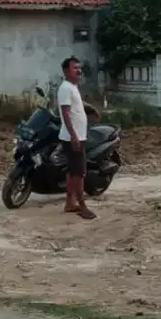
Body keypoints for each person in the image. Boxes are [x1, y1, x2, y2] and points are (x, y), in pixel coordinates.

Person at [57, 56, 96, 220]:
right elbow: (66, 113)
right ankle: (82, 205)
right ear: (66, 71)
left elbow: (76, 105)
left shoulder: (72, 87)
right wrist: (74, 136)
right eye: (75, 68)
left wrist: (91, 109)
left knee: (72, 171)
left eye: (79, 68)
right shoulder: (66, 88)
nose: (79, 70)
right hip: (74, 137)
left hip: (76, 136)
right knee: (79, 173)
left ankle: (69, 203)